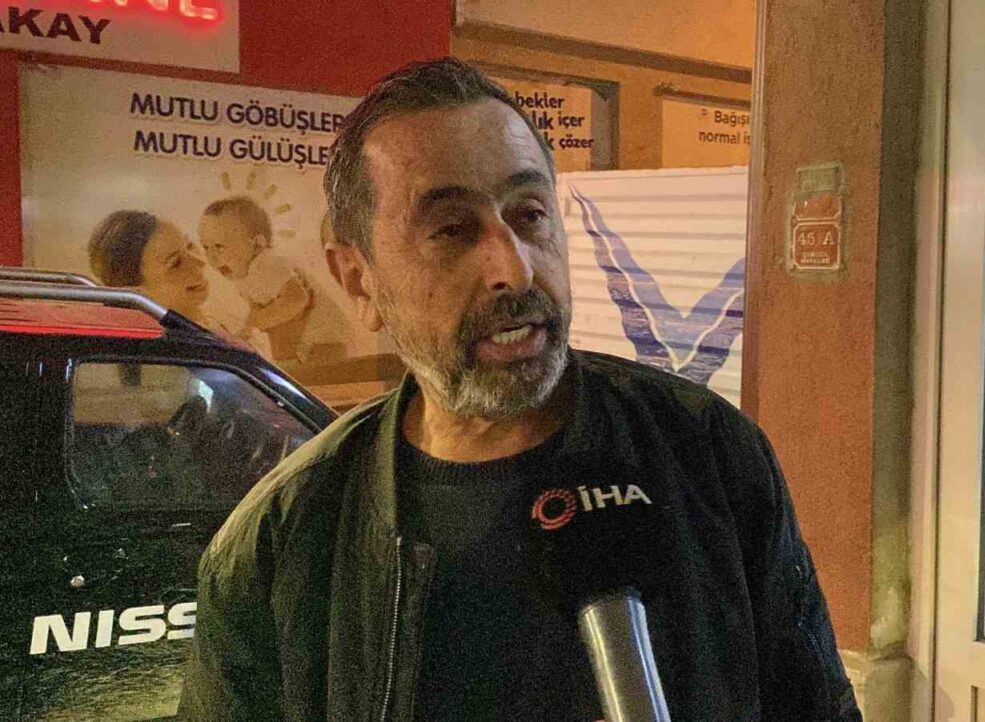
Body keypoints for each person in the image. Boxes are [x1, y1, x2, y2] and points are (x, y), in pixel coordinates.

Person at [179, 58, 859, 721]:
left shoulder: (710, 454)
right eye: (452, 230)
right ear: (358, 280)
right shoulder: (280, 544)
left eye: (529, 214)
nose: (514, 268)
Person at [197, 195, 349, 364]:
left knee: (324, 372)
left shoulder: (266, 264)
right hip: (309, 340)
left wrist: (254, 324)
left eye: (219, 246)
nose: (211, 257)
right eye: (206, 247)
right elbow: (262, 310)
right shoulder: (243, 275)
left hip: (327, 337)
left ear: (257, 244)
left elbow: (298, 298)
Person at [87, 210, 234, 337]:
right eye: (176, 263)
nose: (200, 262)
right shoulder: (167, 352)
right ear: (137, 293)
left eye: (190, 246)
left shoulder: (211, 325)